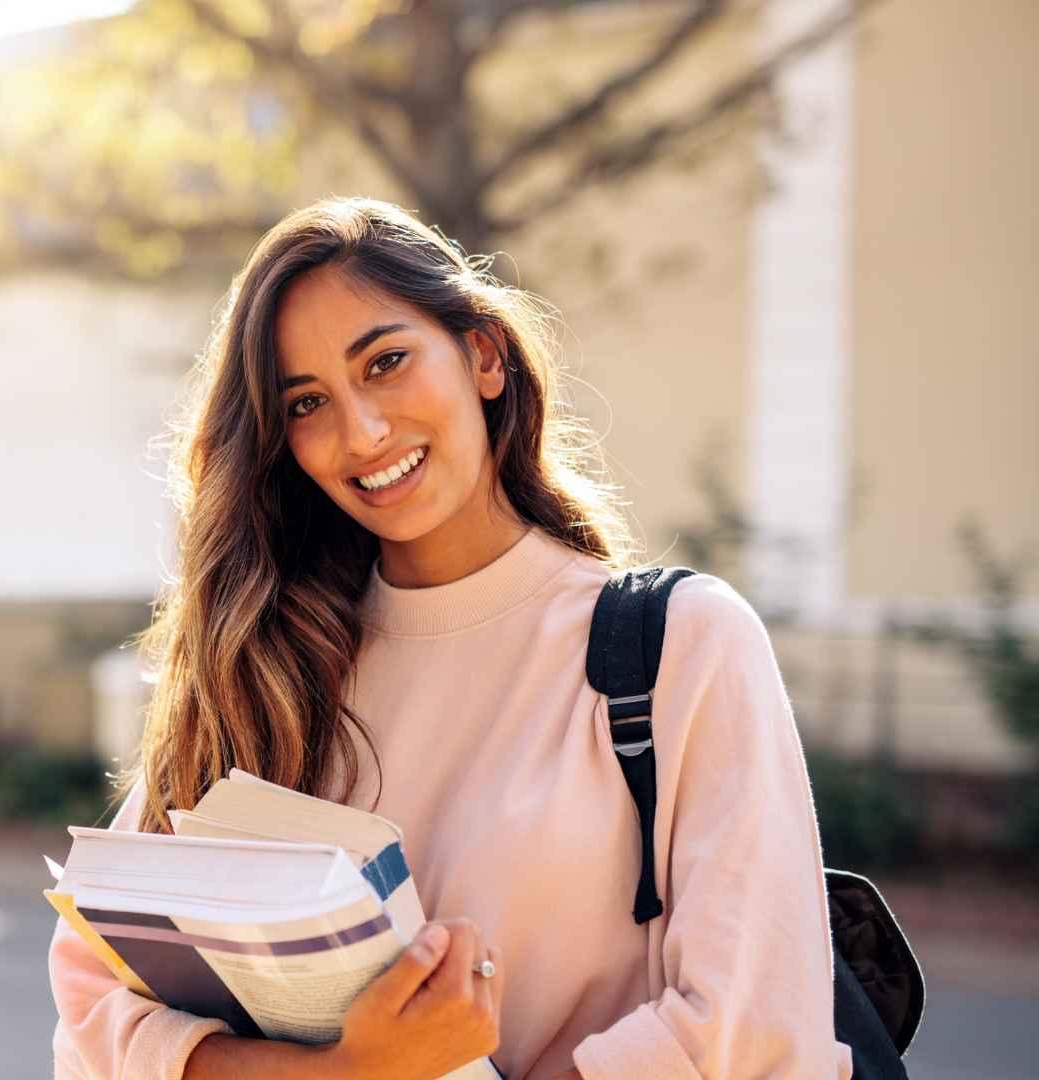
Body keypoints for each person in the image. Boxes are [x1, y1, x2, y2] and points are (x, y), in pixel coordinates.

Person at [47, 197, 851, 1080]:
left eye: (386, 362)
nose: (363, 432)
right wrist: (351, 1075)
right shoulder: (267, 665)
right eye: (308, 403)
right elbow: (96, 1011)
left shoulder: (680, 648)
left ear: (484, 355)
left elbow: (753, 1031)